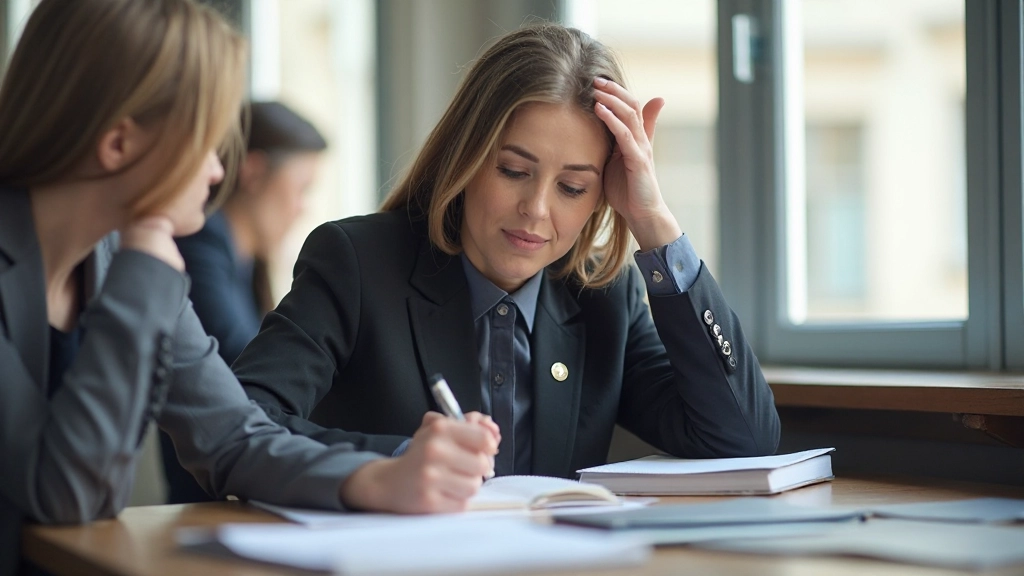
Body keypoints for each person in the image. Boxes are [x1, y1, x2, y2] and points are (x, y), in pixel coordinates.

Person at [0, 1, 498, 574]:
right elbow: (63, 497)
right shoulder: (143, 263)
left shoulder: (123, 257)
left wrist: (381, 477)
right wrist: (145, 271)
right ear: (118, 144)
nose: (218, 172)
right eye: (205, 142)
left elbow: (234, 437)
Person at [234, 24, 781, 480]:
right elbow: (240, 422)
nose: (536, 210)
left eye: (572, 188)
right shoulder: (357, 262)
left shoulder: (602, 297)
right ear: (466, 157)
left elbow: (742, 436)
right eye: (513, 171)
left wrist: (654, 222)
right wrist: (397, 463)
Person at [160, 102, 326, 503]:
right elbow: (246, 366)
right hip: (210, 489)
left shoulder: (242, 261)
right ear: (253, 170)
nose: (302, 208)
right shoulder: (199, 245)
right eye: (300, 188)